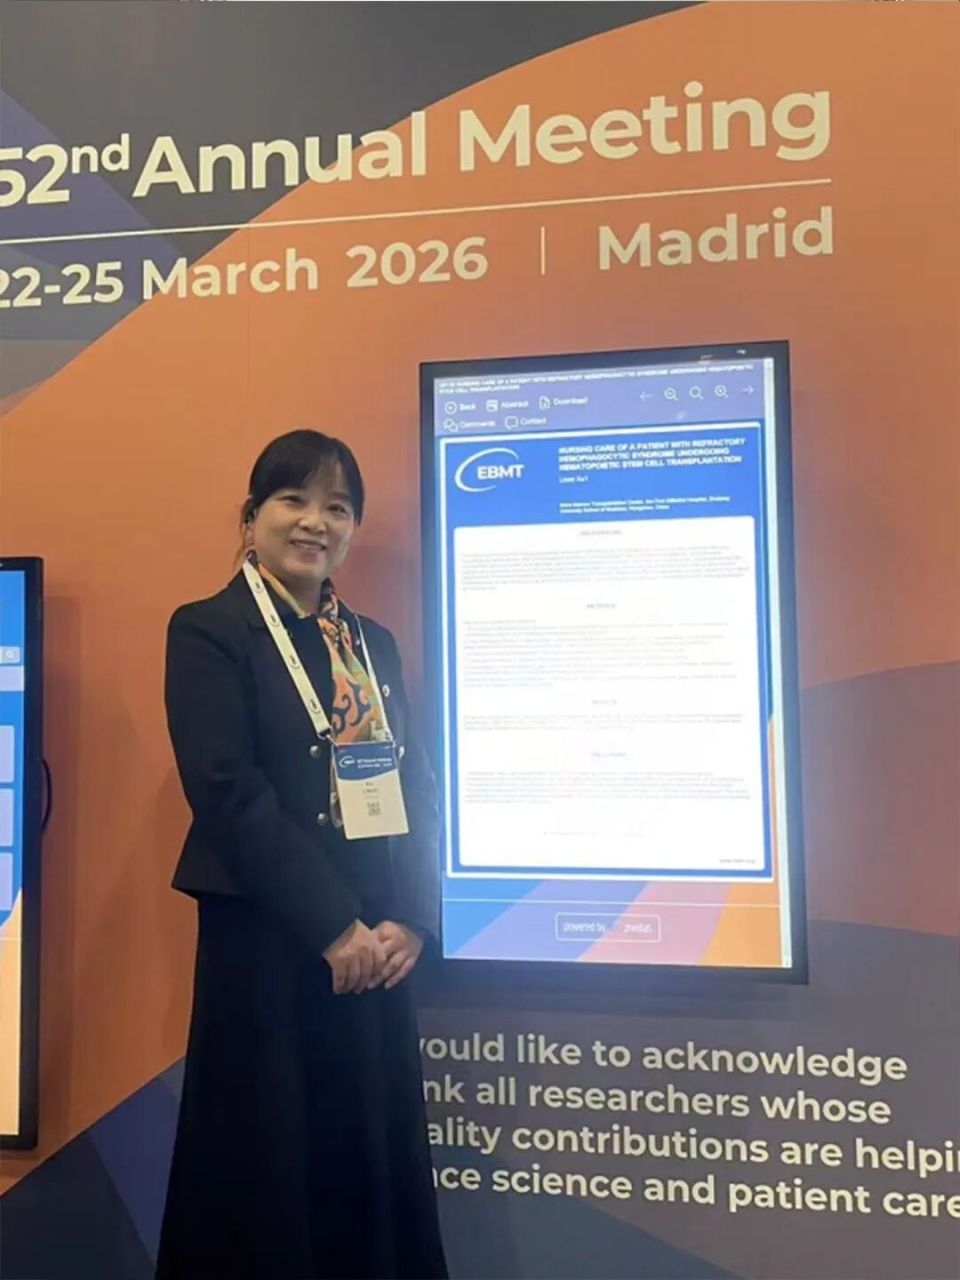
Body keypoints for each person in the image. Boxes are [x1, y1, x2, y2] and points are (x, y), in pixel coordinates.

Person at [157, 430, 447, 1280]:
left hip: (376, 948)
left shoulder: (371, 644)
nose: (316, 522)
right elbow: (226, 791)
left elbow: (415, 784)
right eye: (294, 500)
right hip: (272, 941)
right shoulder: (210, 631)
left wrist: (409, 920)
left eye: (338, 507)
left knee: (368, 1160)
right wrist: (332, 926)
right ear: (251, 518)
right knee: (264, 1168)